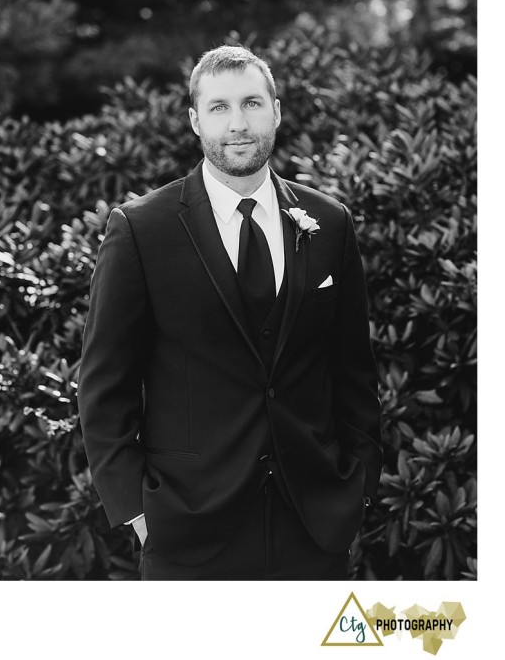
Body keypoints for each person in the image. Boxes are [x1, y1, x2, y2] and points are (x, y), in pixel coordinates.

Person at [77, 44, 382, 580]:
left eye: (252, 104)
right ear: (196, 120)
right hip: (188, 532)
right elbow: (105, 386)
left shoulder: (329, 223)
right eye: (219, 108)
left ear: (277, 111)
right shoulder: (142, 230)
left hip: (314, 527)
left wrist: (354, 489)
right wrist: (137, 510)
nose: (238, 123)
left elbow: (353, 369)